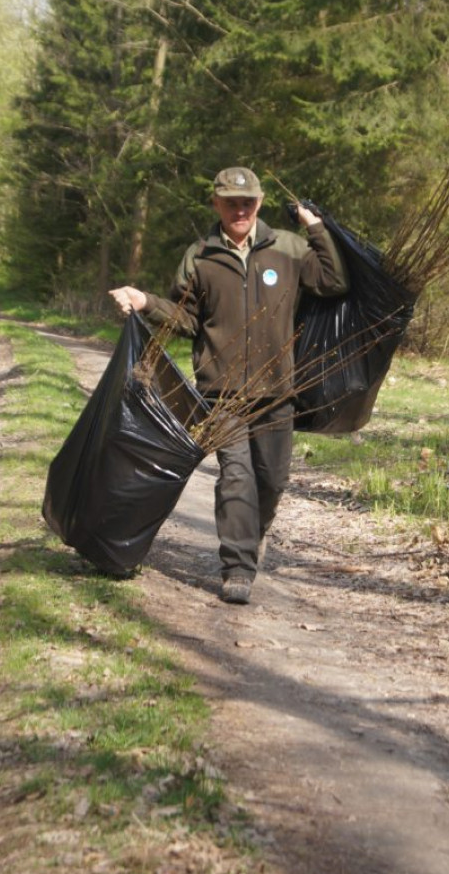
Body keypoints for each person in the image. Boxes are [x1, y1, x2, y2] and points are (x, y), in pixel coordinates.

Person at [109, 166, 349, 604]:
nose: (240, 210)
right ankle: (237, 567)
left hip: (277, 390)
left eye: (248, 202)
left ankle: (251, 535)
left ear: (259, 203)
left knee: (271, 480)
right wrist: (145, 302)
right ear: (216, 204)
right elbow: (187, 318)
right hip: (221, 391)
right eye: (231, 203)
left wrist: (315, 228)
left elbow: (334, 281)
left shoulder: (288, 248)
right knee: (236, 476)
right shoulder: (200, 256)